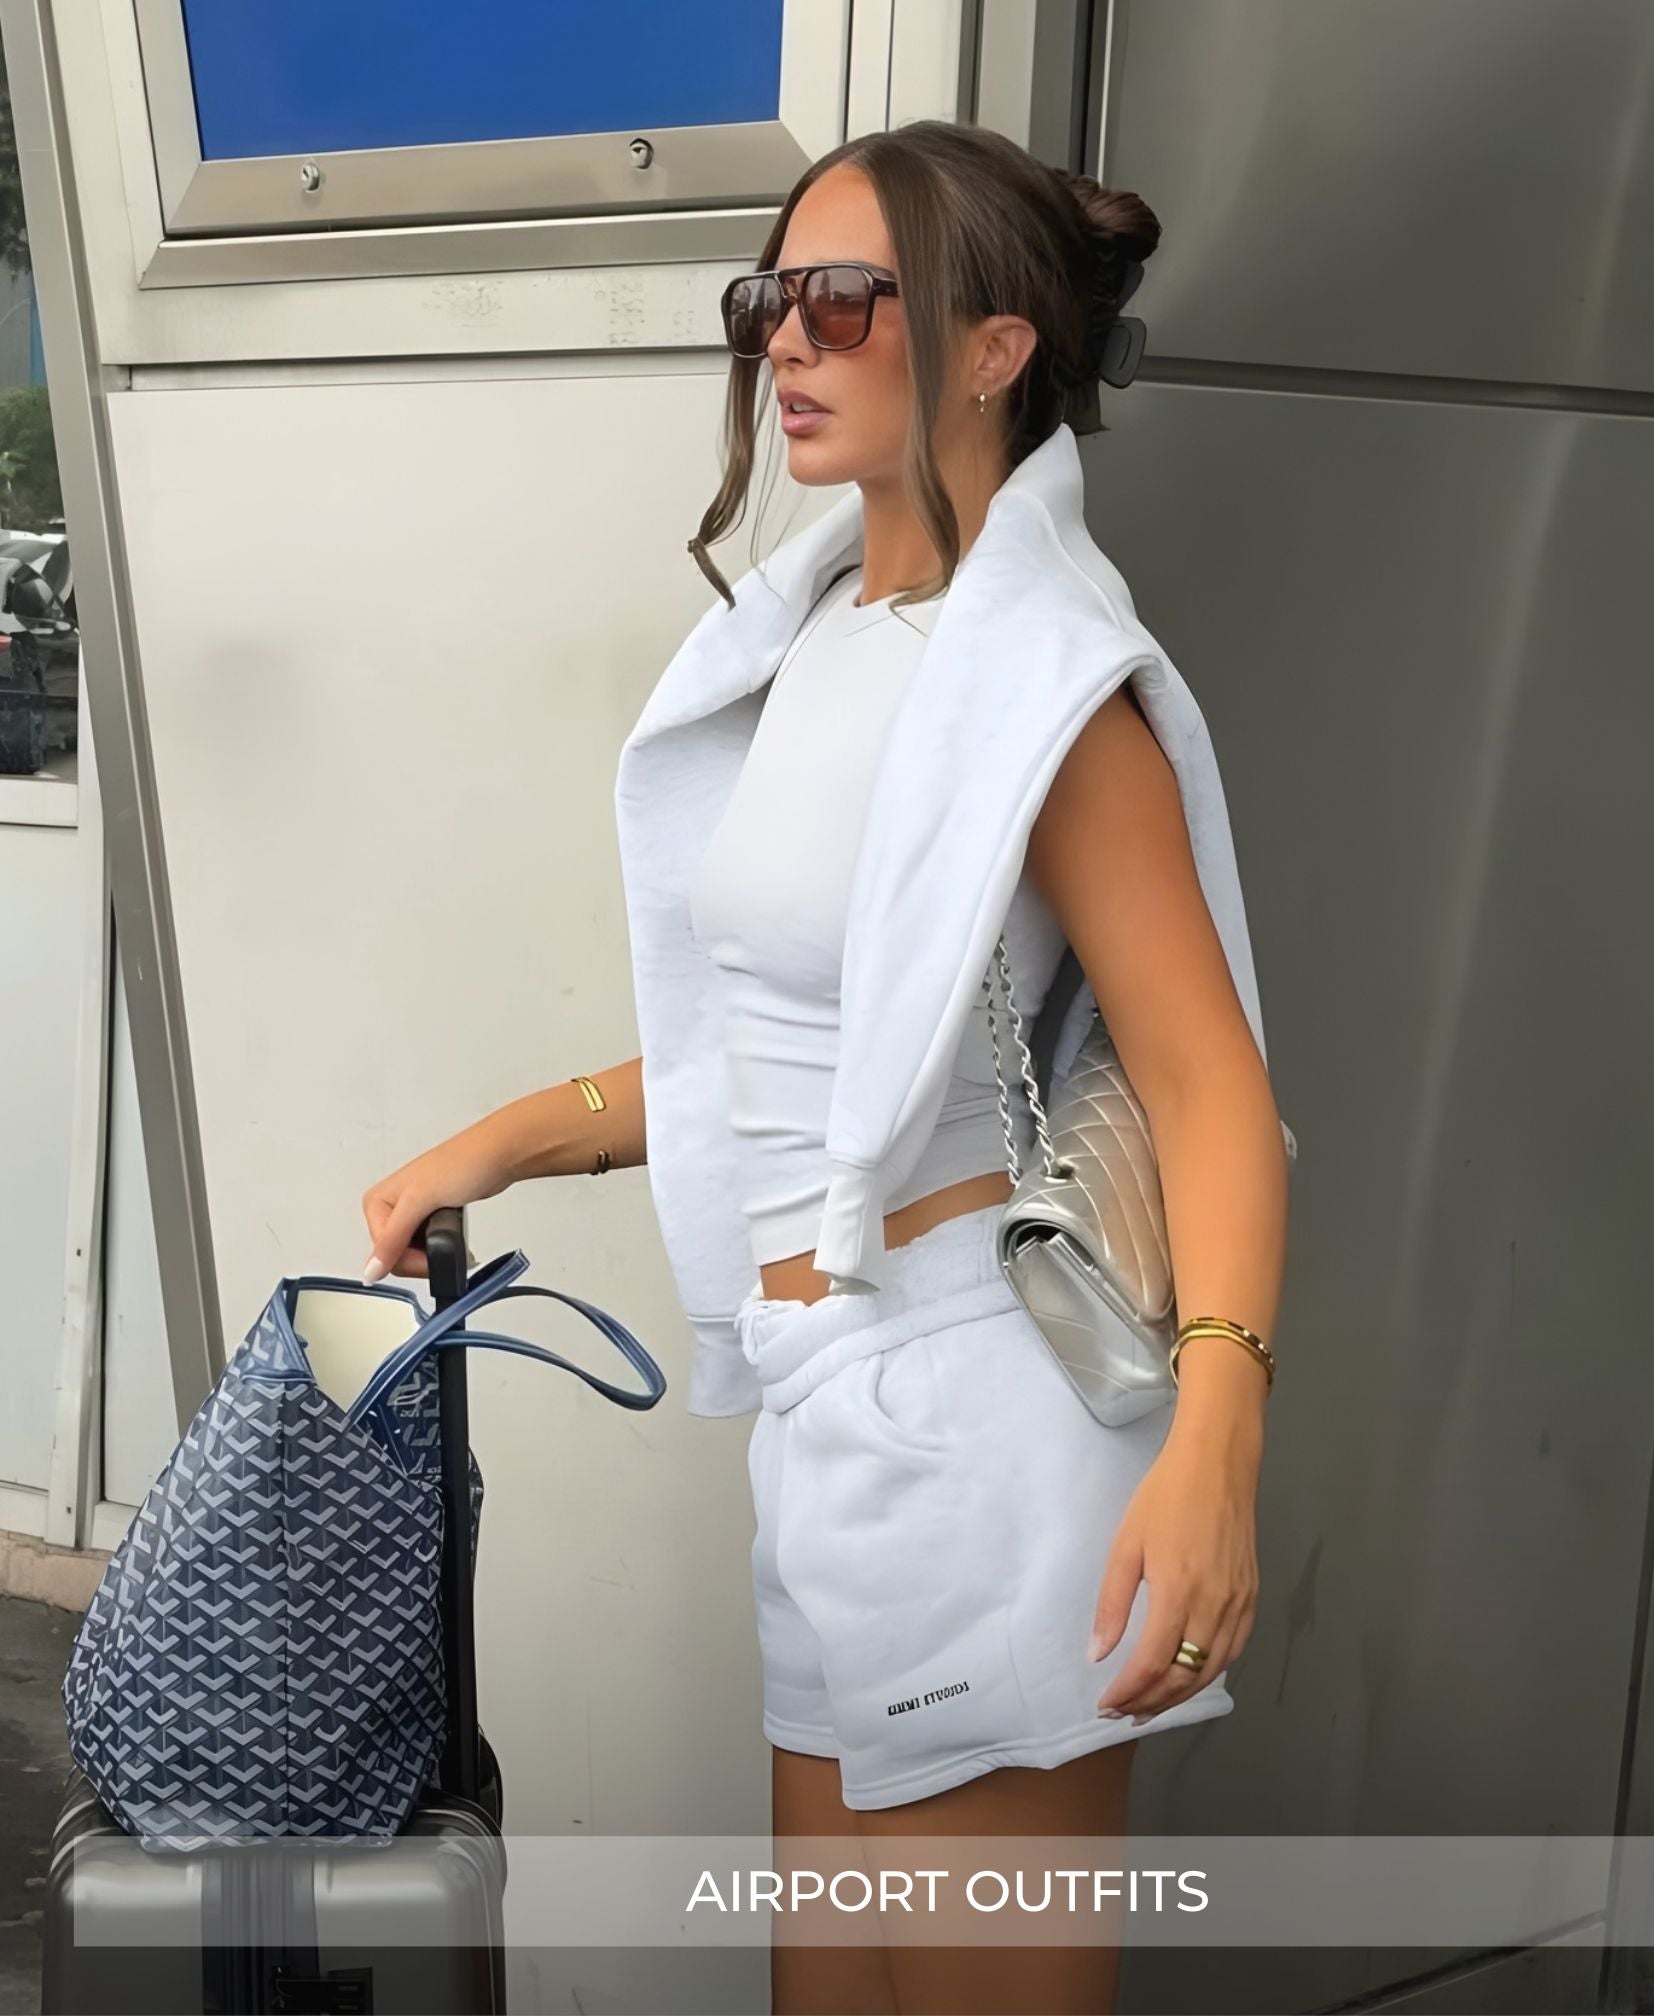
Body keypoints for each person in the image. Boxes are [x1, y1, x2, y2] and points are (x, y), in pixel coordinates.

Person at [362, 117, 1289, 2016]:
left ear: (988, 346)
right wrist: (510, 1138)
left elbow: (1213, 1094)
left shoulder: (1046, 688)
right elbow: (776, 1043)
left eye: (840, 300)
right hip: (830, 1425)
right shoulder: (819, 643)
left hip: (983, 1437)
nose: (782, 341)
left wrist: (1217, 1444)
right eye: (765, 301)